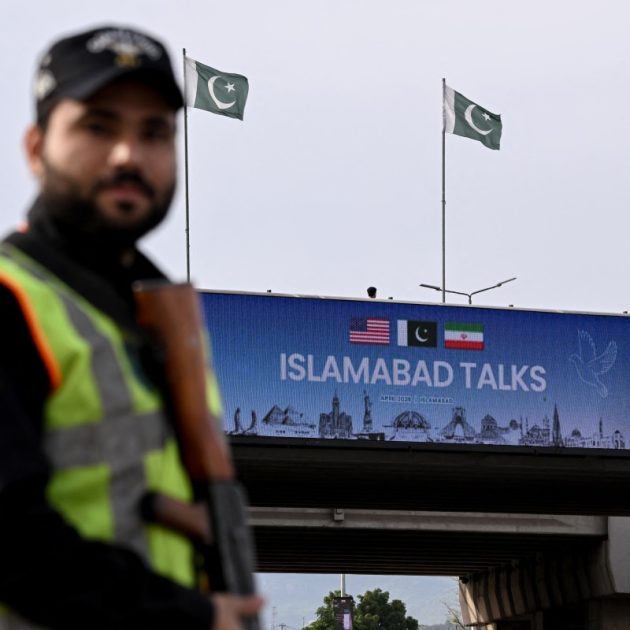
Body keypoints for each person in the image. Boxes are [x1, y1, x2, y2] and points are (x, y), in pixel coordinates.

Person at [0, 25, 262, 629]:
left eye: (154, 133)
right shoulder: (10, 301)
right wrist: (190, 614)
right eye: (99, 127)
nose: (128, 155)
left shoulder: (148, 321)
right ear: (36, 148)